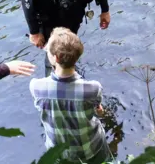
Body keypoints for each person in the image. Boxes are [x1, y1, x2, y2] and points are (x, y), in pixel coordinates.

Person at [29, 27, 111, 163]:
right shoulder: (93, 89)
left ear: (55, 58)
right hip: (91, 150)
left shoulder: (36, 87)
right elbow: (98, 110)